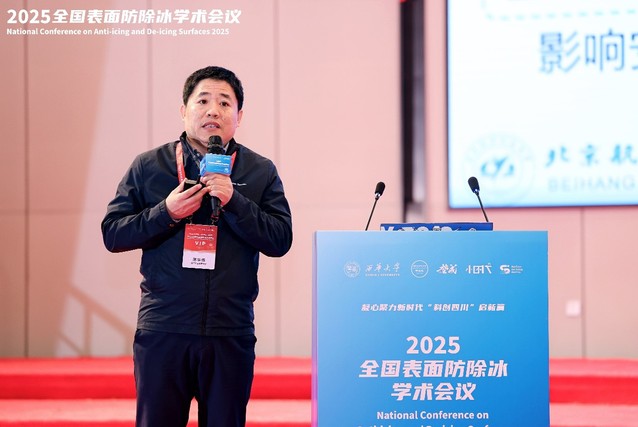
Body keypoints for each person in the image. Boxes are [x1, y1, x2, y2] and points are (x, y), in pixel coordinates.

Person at [101, 65, 293, 427]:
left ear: (239, 116)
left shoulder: (259, 170)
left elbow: (280, 239)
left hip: (230, 330)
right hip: (164, 328)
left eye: (225, 103)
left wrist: (236, 201)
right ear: (184, 110)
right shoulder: (149, 166)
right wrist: (166, 212)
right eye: (202, 101)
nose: (213, 111)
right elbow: (113, 233)